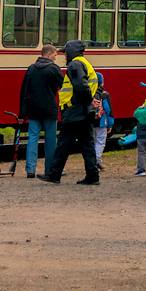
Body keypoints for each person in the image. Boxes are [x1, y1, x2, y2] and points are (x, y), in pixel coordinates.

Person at [38, 40, 100, 185]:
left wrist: (88, 99)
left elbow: (80, 85)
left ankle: (54, 174)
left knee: (63, 144)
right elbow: (89, 85)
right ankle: (93, 176)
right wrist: (91, 100)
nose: (64, 55)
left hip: (75, 111)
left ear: (72, 51)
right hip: (83, 111)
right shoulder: (85, 63)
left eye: (66, 51)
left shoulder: (74, 65)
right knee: (87, 145)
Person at [18, 44, 62, 179]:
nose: (55, 57)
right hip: (50, 109)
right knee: (50, 140)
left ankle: (30, 169)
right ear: (49, 54)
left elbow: (23, 92)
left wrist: (22, 113)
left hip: (34, 109)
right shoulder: (54, 69)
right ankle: (50, 169)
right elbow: (64, 86)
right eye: (55, 54)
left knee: (32, 138)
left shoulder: (31, 69)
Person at [91, 72, 114, 171]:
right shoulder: (105, 95)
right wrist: (110, 124)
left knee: (93, 142)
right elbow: (108, 110)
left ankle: (94, 161)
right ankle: (96, 161)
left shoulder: (90, 94)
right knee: (100, 142)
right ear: (102, 83)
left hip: (92, 121)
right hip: (102, 122)